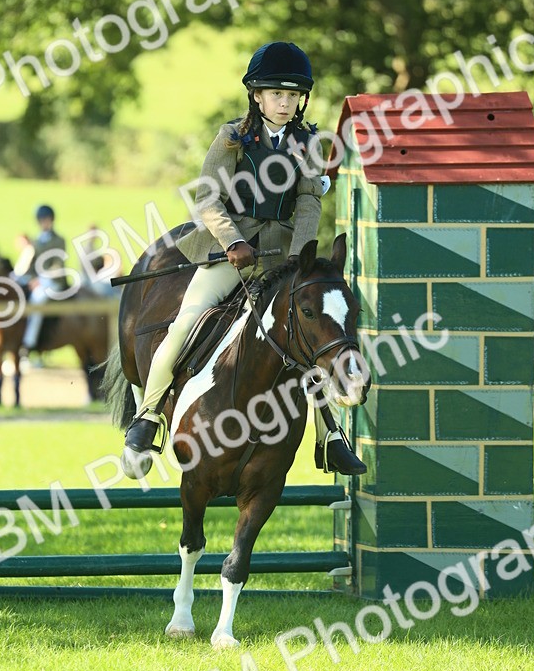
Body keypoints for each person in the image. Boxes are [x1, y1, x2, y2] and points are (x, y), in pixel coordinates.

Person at [123, 40, 365, 476]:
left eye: (292, 95)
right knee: (185, 322)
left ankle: (329, 437)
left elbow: (309, 201)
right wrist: (233, 241)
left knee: (309, 334)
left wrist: (298, 259)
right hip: (229, 254)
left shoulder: (308, 143)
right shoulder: (232, 138)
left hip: (281, 259)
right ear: (257, 95)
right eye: (277, 94)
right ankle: (148, 415)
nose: (285, 103)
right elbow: (208, 198)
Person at [20, 205, 69, 356]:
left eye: (46, 220)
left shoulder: (59, 240)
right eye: (41, 220)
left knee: (38, 298)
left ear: (51, 220)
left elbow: (58, 265)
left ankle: (29, 342)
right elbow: (31, 266)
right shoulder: (36, 241)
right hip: (37, 281)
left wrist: (41, 280)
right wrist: (30, 279)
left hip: (54, 281)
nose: (44, 223)